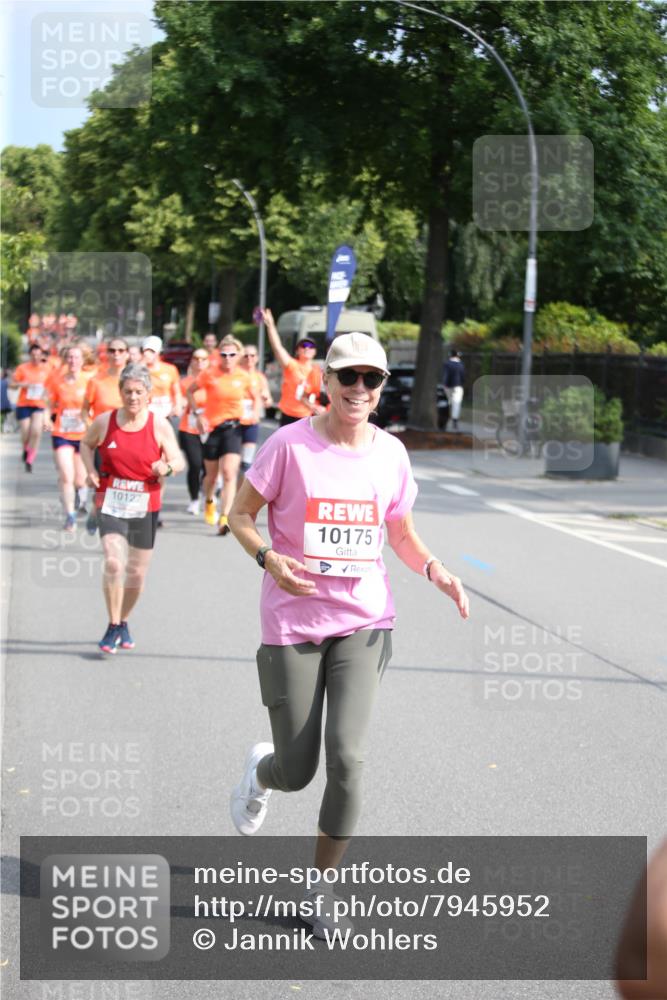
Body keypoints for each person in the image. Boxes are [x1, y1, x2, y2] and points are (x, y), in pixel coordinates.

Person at [228, 332, 469, 937]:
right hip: (292, 624)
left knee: (349, 758)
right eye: (349, 377)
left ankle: (319, 889)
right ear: (327, 382)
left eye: (373, 379)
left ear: (382, 388)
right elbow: (239, 514)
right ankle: (264, 771)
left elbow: (402, 534)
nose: (360, 389)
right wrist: (267, 559)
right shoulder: (289, 445)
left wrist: (435, 568)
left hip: (365, 621)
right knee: (298, 769)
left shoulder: (391, 454)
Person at [80, 362, 184, 656]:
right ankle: (113, 624)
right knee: (114, 563)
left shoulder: (158, 425)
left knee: (136, 573)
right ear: (120, 392)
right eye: (128, 391)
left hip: (145, 503)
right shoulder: (105, 421)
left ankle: (123, 619)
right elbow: (85, 445)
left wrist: (166, 467)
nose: (133, 397)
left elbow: (178, 460)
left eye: (139, 392)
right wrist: (89, 471)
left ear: (149, 394)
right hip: (111, 499)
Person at [187, 335, 259, 536]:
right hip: (212, 428)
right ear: (219, 355)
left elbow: (256, 397)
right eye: (224, 354)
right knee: (211, 476)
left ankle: (225, 516)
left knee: (229, 473)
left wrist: (255, 412)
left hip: (233, 428)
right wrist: (198, 414)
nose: (227, 358)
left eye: (232, 354)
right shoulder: (209, 374)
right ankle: (209, 500)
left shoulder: (244, 377)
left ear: (239, 356)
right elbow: (190, 392)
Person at [46, 344, 92, 531]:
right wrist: (47, 419)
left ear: (83, 360)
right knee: (66, 475)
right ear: (66, 360)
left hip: (83, 435)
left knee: (80, 480)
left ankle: (78, 495)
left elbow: (97, 405)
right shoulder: (58, 381)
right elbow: (48, 404)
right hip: (62, 433)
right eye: (70, 357)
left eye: (76, 357)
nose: (73, 361)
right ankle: (70, 515)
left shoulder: (90, 381)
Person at [262, 308, 324, 425]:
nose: (307, 348)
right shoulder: (292, 365)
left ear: (315, 351)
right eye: (303, 345)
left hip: (308, 416)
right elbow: (277, 347)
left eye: (311, 346)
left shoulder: (317, 370)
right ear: (297, 350)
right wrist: (270, 325)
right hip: (289, 415)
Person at [10, 342, 50, 471]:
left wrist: (47, 393)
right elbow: (12, 384)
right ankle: (26, 448)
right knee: (26, 431)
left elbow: (52, 385)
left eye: (38, 355)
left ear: (41, 355)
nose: (35, 357)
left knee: (36, 431)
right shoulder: (23, 368)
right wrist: (23, 384)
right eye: (33, 355)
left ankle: (30, 459)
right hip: (24, 404)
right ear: (29, 355)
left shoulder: (47, 369)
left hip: (39, 405)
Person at [178, 349, 209, 514]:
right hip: (189, 428)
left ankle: (208, 494)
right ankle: (194, 499)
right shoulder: (185, 383)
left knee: (208, 467)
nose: (200, 362)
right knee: (195, 464)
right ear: (192, 361)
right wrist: (181, 403)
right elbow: (179, 400)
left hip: (211, 428)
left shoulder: (213, 381)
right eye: (196, 359)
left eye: (203, 359)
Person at [239, 344, 273, 473]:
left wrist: (266, 398)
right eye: (246, 355)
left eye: (252, 355)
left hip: (252, 421)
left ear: (257, 358)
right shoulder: (237, 375)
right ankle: (220, 485)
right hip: (234, 421)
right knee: (231, 458)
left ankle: (239, 491)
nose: (249, 358)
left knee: (246, 462)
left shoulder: (260, 377)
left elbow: (268, 400)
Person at [141, 336, 182, 420]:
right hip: (146, 412)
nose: (148, 354)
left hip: (166, 412)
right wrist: (142, 364)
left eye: (152, 351)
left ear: (159, 352)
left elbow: (177, 391)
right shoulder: (140, 369)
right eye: (145, 351)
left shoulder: (170, 369)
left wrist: (177, 405)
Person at [442, 349, 465, 431]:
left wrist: (444, 384)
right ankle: (454, 420)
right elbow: (463, 376)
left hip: (448, 386)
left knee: (449, 402)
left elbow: (445, 375)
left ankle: (448, 417)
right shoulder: (460, 364)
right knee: (456, 403)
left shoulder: (447, 364)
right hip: (458, 386)